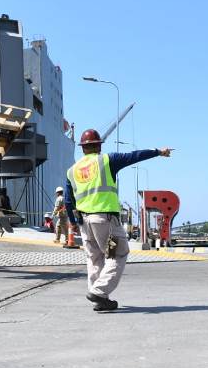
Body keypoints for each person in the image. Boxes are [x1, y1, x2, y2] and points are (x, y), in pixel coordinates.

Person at [65, 129, 172, 311]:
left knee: (95, 258)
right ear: (98, 145)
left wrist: (73, 223)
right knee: (117, 254)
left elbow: (69, 200)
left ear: (82, 148)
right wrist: (158, 151)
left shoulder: (72, 171)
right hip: (105, 222)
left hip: (86, 225)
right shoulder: (106, 160)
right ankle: (99, 291)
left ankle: (100, 298)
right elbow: (134, 156)